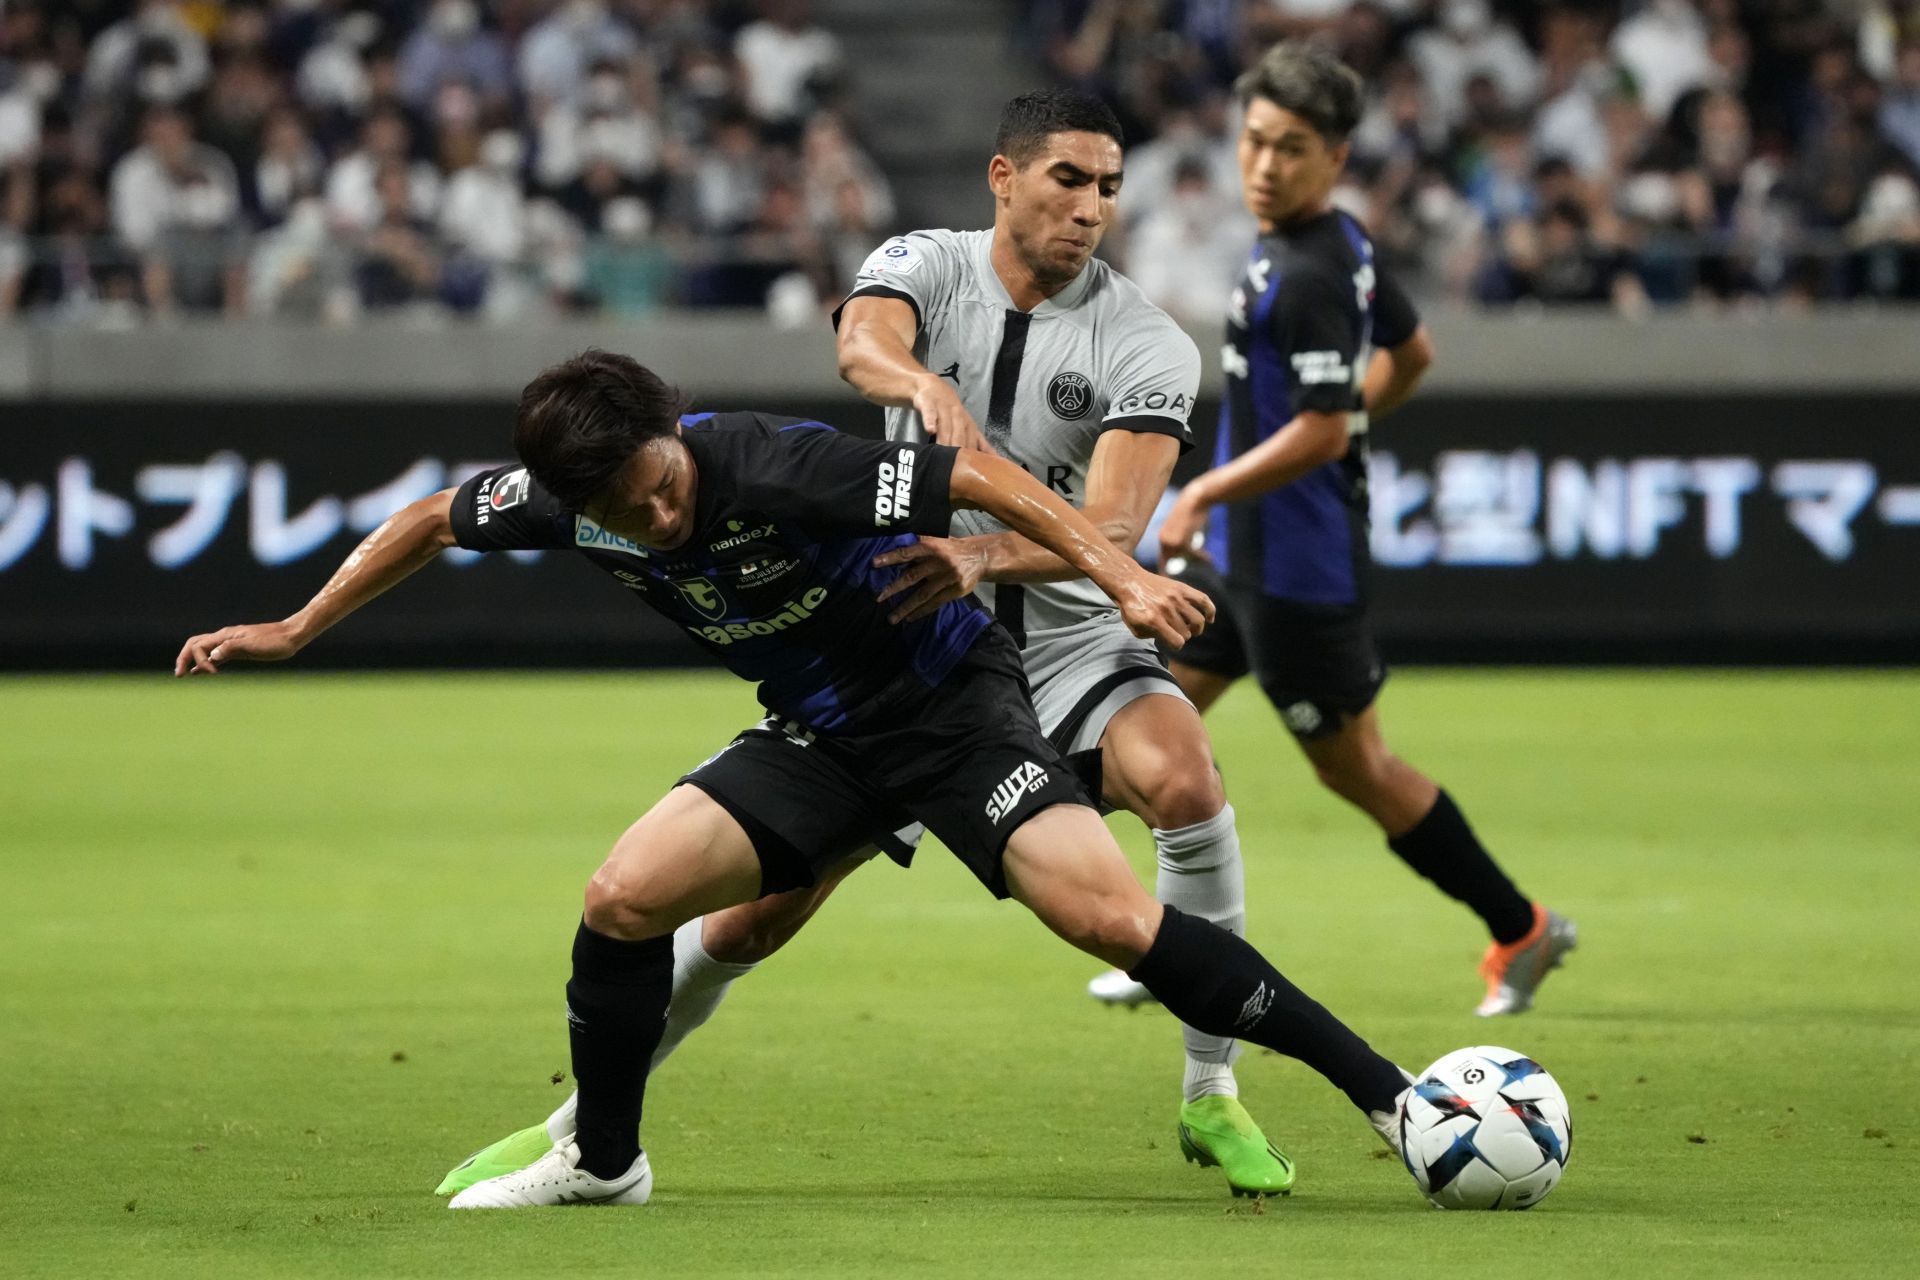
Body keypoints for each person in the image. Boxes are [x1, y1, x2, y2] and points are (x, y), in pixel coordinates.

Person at [176, 351, 1418, 1209]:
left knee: (1105, 915)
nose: (657, 515)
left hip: (950, 709)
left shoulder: (771, 463)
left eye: (663, 482)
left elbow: (977, 479)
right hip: (822, 736)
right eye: (625, 506)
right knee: (624, 894)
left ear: (675, 433)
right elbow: (434, 517)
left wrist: (1124, 581)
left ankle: (1391, 1099)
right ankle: (604, 1162)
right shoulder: (573, 502)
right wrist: (295, 628)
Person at [439, 88, 1299, 1201]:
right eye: (1068, 180)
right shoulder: (929, 263)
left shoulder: (1148, 344)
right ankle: (581, 1129)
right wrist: (916, 382)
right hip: (903, 643)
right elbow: (863, 341)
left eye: (1108, 188)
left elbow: (1118, 532)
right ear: (1005, 176)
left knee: (1181, 774)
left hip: (1073, 632)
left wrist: (986, 558)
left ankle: (1212, 1091)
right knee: (748, 921)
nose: (1091, 208)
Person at [1152, 42, 1577, 1021]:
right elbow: (1411, 352)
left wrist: (1216, 484)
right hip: (1247, 559)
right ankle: (1165, 940)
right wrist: (1333, 438)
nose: (1263, 166)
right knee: (1145, 723)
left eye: (1291, 149)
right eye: (1254, 142)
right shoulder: (1327, 242)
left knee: (1358, 770)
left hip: (1295, 574)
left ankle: (1521, 924)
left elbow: (1322, 421)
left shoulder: (1305, 268)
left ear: (1336, 156)